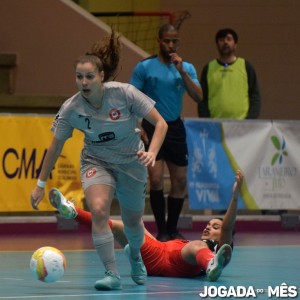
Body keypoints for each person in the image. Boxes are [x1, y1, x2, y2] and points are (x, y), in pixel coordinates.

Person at [30, 30, 168, 291]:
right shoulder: (71, 109)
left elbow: (161, 124)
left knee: (133, 224)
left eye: (89, 76)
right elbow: (55, 147)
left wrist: (152, 152)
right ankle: (111, 273)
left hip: (131, 162)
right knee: (99, 209)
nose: (83, 82)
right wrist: (40, 184)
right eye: (79, 77)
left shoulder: (125, 94)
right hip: (96, 161)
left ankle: (135, 255)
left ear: (102, 76)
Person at [49, 170, 243, 282]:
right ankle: (71, 211)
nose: (209, 228)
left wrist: (235, 196)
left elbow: (227, 227)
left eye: (215, 227)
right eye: (209, 224)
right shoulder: (200, 245)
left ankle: (211, 265)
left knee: (196, 246)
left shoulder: (214, 247)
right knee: (124, 225)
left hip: (164, 259)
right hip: (160, 249)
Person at [130, 24, 203, 242]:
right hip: (152, 127)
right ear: (159, 41)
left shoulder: (186, 68)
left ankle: (173, 229)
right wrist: (138, 124)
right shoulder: (145, 67)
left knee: (179, 182)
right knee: (155, 179)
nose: (170, 45)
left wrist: (181, 72)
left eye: (174, 41)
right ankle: (161, 230)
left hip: (175, 127)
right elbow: (131, 96)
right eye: (166, 41)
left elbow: (199, 97)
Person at [198, 28, 261, 119]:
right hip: (214, 124)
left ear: (235, 44)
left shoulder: (246, 66)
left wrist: (250, 120)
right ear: (217, 44)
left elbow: (255, 96)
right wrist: (206, 120)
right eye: (221, 40)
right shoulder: (208, 68)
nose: (225, 42)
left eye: (229, 39)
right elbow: (202, 98)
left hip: (242, 124)